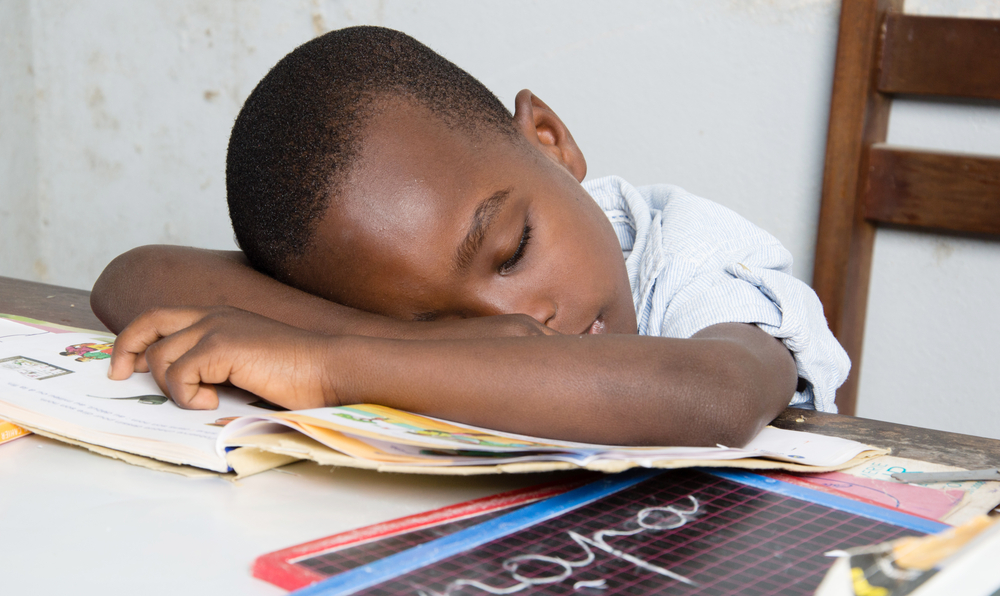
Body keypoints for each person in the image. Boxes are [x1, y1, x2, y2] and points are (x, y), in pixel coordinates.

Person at [93, 26, 848, 449]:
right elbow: (134, 277)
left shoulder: (687, 253)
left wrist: (332, 364)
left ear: (551, 141)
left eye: (512, 251)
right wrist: (388, 343)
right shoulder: (409, 290)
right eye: (433, 321)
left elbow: (712, 392)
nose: (509, 324)